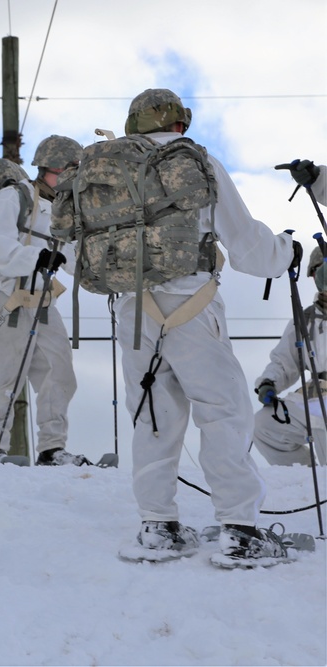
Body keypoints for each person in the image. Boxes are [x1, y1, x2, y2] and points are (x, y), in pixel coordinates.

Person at [116, 88, 302, 566]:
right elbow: (247, 246)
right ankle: (239, 530)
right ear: (180, 122)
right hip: (192, 305)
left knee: (152, 416)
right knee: (223, 412)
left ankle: (158, 527)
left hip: (132, 311)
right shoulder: (195, 162)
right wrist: (288, 251)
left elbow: (79, 254)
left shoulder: (111, 168)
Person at [0, 135, 89, 467]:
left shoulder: (62, 209)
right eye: (71, 168)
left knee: (59, 371)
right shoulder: (15, 196)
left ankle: (52, 449)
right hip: (9, 295)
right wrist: (35, 257)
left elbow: (70, 256)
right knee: (6, 375)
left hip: (43, 299)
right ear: (53, 167)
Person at [252, 246, 327, 466]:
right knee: (265, 425)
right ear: (314, 276)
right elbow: (285, 362)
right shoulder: (305, 320)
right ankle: (303, 482)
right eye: (320, 270)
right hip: (317, 398)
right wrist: (269, 383)